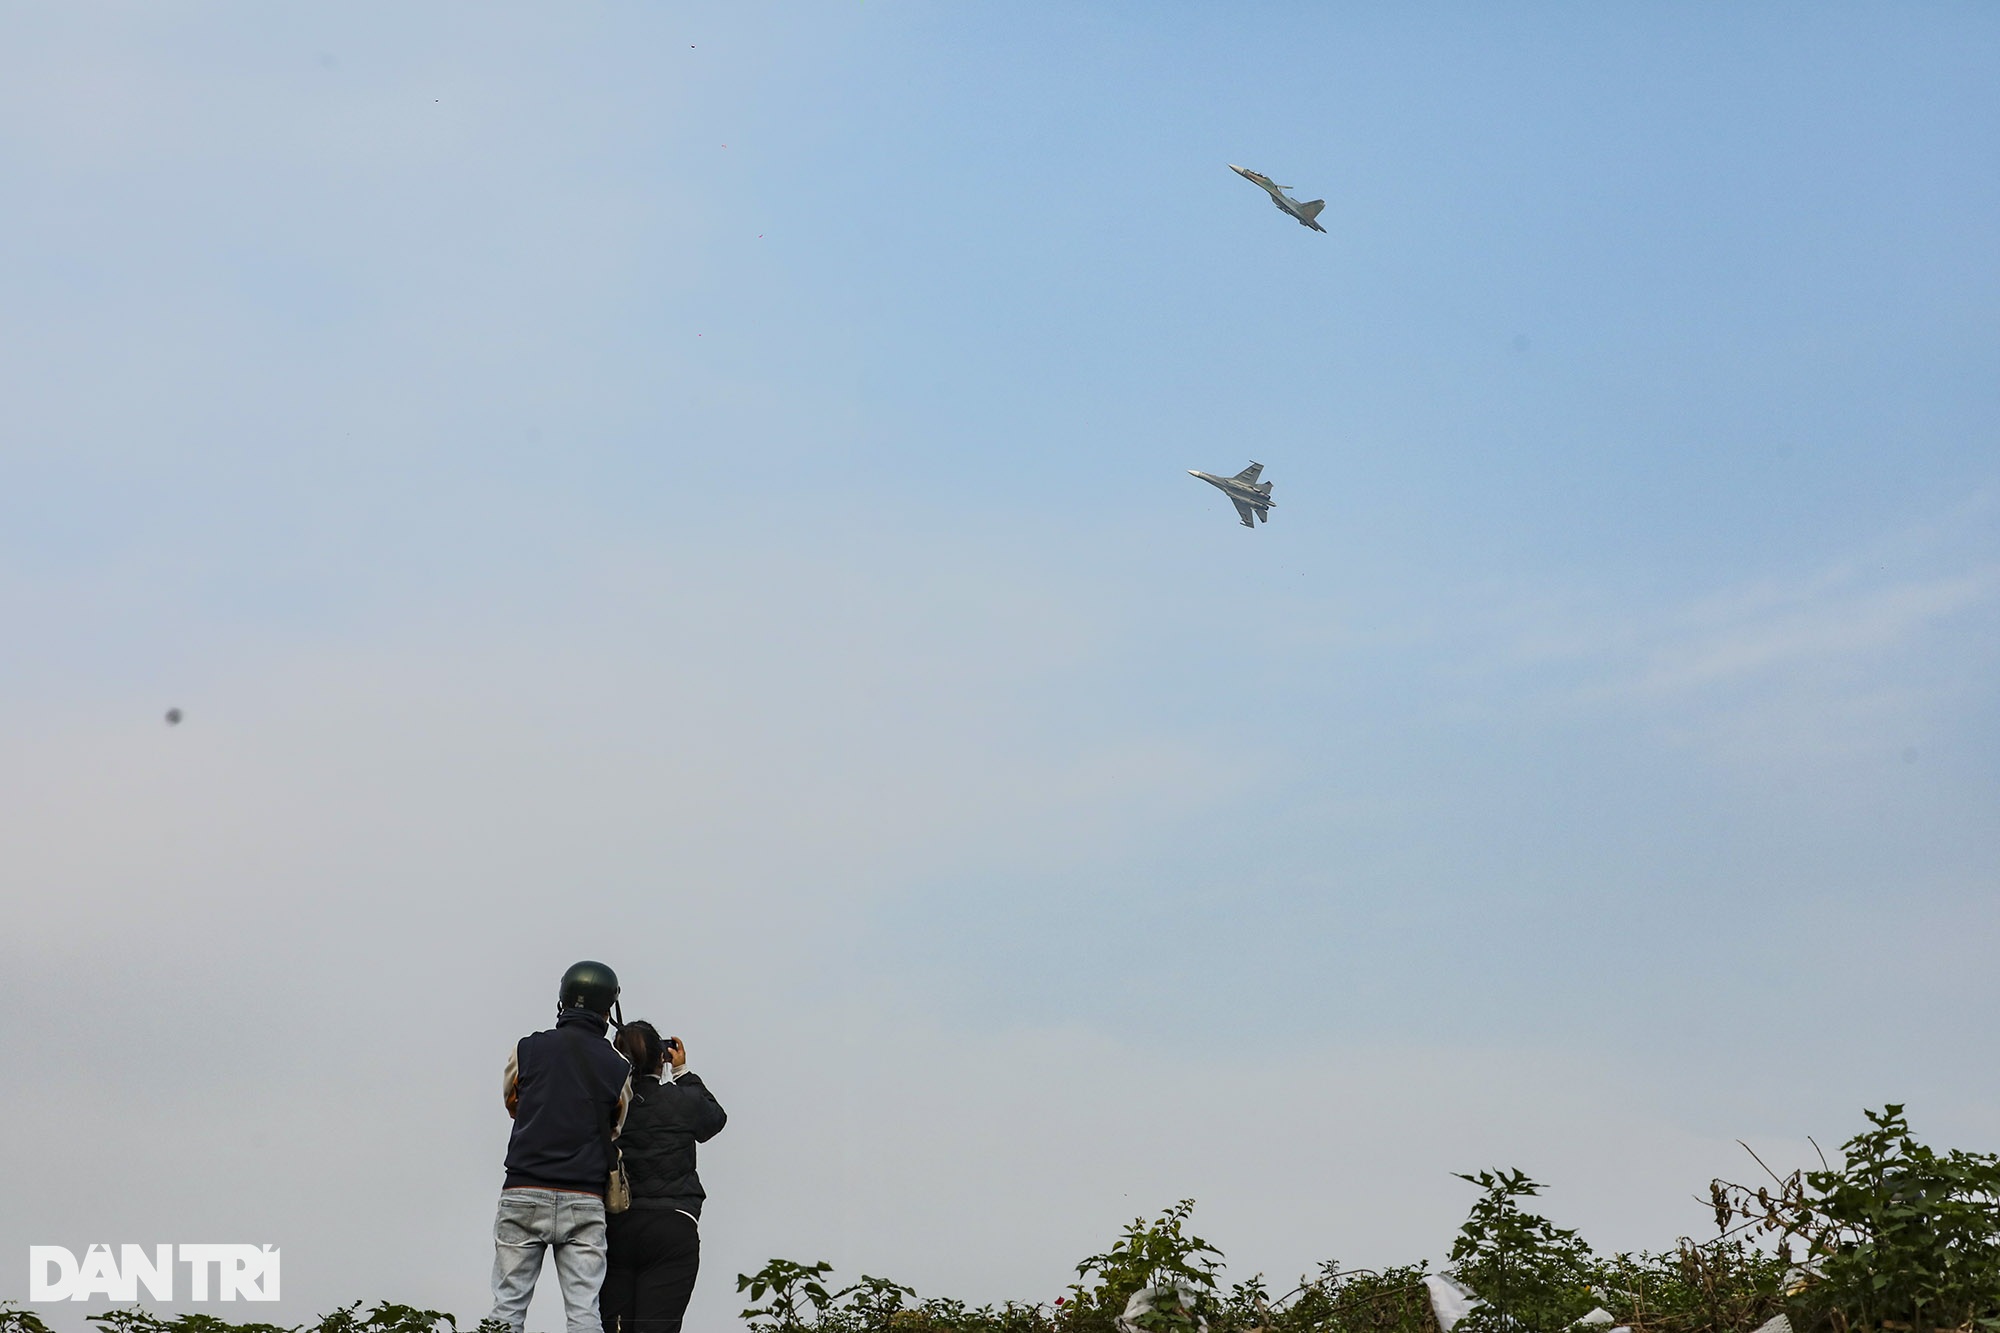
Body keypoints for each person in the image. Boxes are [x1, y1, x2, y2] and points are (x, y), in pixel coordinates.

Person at [490, 961, 635, 1333]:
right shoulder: (618, 1066)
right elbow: (615, 1128)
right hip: (583, 1197)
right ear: (608, 1009)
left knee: (507, 1309)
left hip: (523, 1190)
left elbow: (512, 1103)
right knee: (584, 1313)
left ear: (563, 1000)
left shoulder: (528, 1048)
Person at [599, 1019, 728, 1333]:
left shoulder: (608, 1105)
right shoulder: (681, 1100)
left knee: (615, 1327)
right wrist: (683, 1072)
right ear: (662, 1057)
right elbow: (714, 1119)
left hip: (616, 1225)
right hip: (672, 1224)